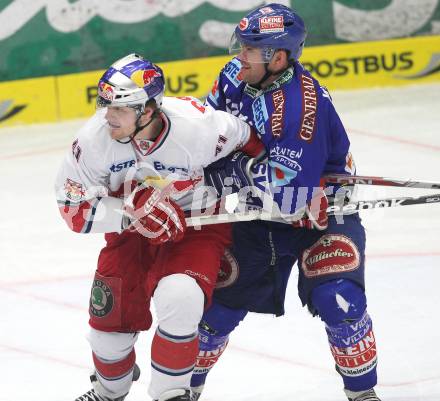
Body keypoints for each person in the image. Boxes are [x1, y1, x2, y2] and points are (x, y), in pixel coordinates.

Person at [190, 4, 381, 401]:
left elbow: (287, 191)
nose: (239, 56)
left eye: (250, 49)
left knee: (339, 299)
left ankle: (363, 395)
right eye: (241, 45)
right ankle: (182, 390)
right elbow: (206, 135)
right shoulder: (233, 76)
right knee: (217, 311)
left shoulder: (299, 108)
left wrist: (232, 173)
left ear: (278, 58)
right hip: (260, 216)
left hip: (320, 214)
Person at [55, 53, 263, 401]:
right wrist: (129, 213)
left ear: (147, 110)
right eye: (104, 104)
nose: (107, 116)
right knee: (107, 333)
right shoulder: (92, 141)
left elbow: (252, 145)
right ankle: (108, 392)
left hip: (195, 230)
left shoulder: (199, 126)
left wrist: (252, 180)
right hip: (128, 236)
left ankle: (171, 393)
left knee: (180, 298)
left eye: (119, 108)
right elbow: (71, 208)